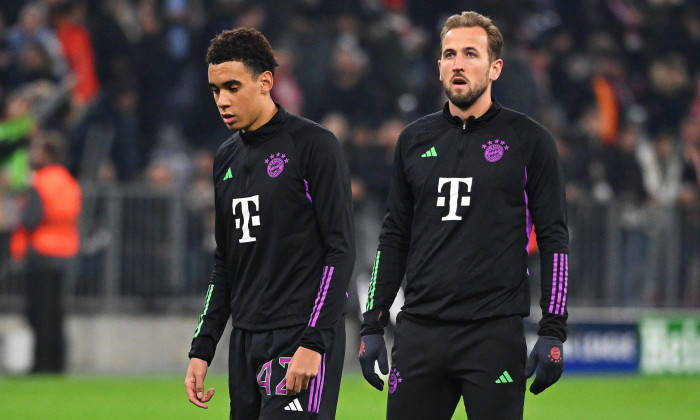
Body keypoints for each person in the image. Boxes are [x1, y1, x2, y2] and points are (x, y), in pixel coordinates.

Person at [358, 11, 569, 420]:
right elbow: (394, 237)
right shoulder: (413, 141)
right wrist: (372, 323)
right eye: (449, 54)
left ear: (495, 68)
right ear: (438, 67)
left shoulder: (530, 141)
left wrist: (553, 329)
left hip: (493, 333)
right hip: (419, 331)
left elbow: (555, 239)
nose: (458, 63)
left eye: (470, 54)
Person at [184, 28, 355, 419]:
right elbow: (225, 261)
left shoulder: (314, 145)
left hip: (299, 333)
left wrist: (314, 342)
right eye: (215, 90)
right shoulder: (226, 158)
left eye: (232, 86)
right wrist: (203, 347)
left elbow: (340, 248)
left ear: (266, 82)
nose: (222, 100)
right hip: (245, 340)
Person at [9, 129, 82, 373]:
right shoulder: (68, 181)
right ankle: (57, 363)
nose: (32, 155)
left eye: (37, 150)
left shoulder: (38, 181)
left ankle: (41, 364)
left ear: (47, 154)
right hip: (65, 250)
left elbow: (32, 218)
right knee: (56, 312)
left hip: (40, 251)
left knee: (38, 313)